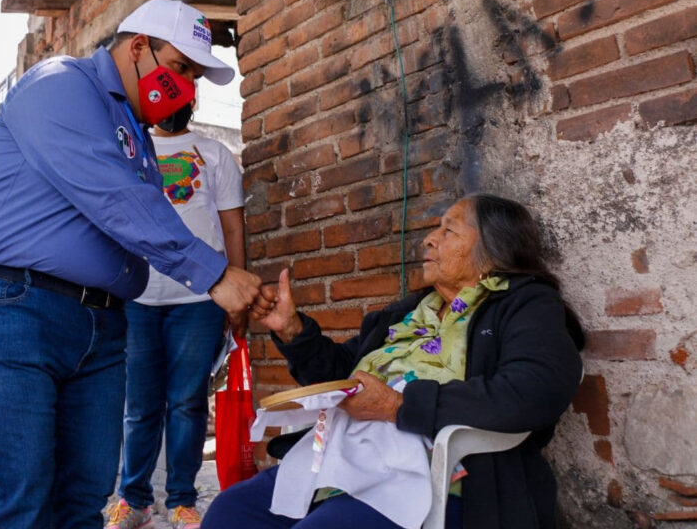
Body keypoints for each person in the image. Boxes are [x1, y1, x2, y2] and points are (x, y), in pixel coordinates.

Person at [0, 0, 272, 529]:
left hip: (99, 324)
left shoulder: (138, 137)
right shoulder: (60, 83)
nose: (186, 87)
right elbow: (113, 196)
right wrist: (214, 274)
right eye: (180, 68)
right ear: (138, 47)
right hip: (11, 312)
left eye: (194, 78)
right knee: (20, 505)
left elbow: (140, 217)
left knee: (81, 504)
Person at [202, 194, 585, 529]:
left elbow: (537, 389)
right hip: (345, 460)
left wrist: (399, 406)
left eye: (448, 231)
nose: (429, 240)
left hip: (442, 478)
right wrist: (292, 330)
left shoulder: (524, 305)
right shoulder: (408, 312)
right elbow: (342, 376)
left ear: (493, 249)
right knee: (230, 512)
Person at [106, 117, 246, 529]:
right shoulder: (129, 150)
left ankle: (182, 500)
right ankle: (134, 501)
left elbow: (233, 227)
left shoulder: (215, 152)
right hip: (137, 296)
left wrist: (235, 291)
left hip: (200, 296)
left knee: (187, 402)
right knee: (141, 406)